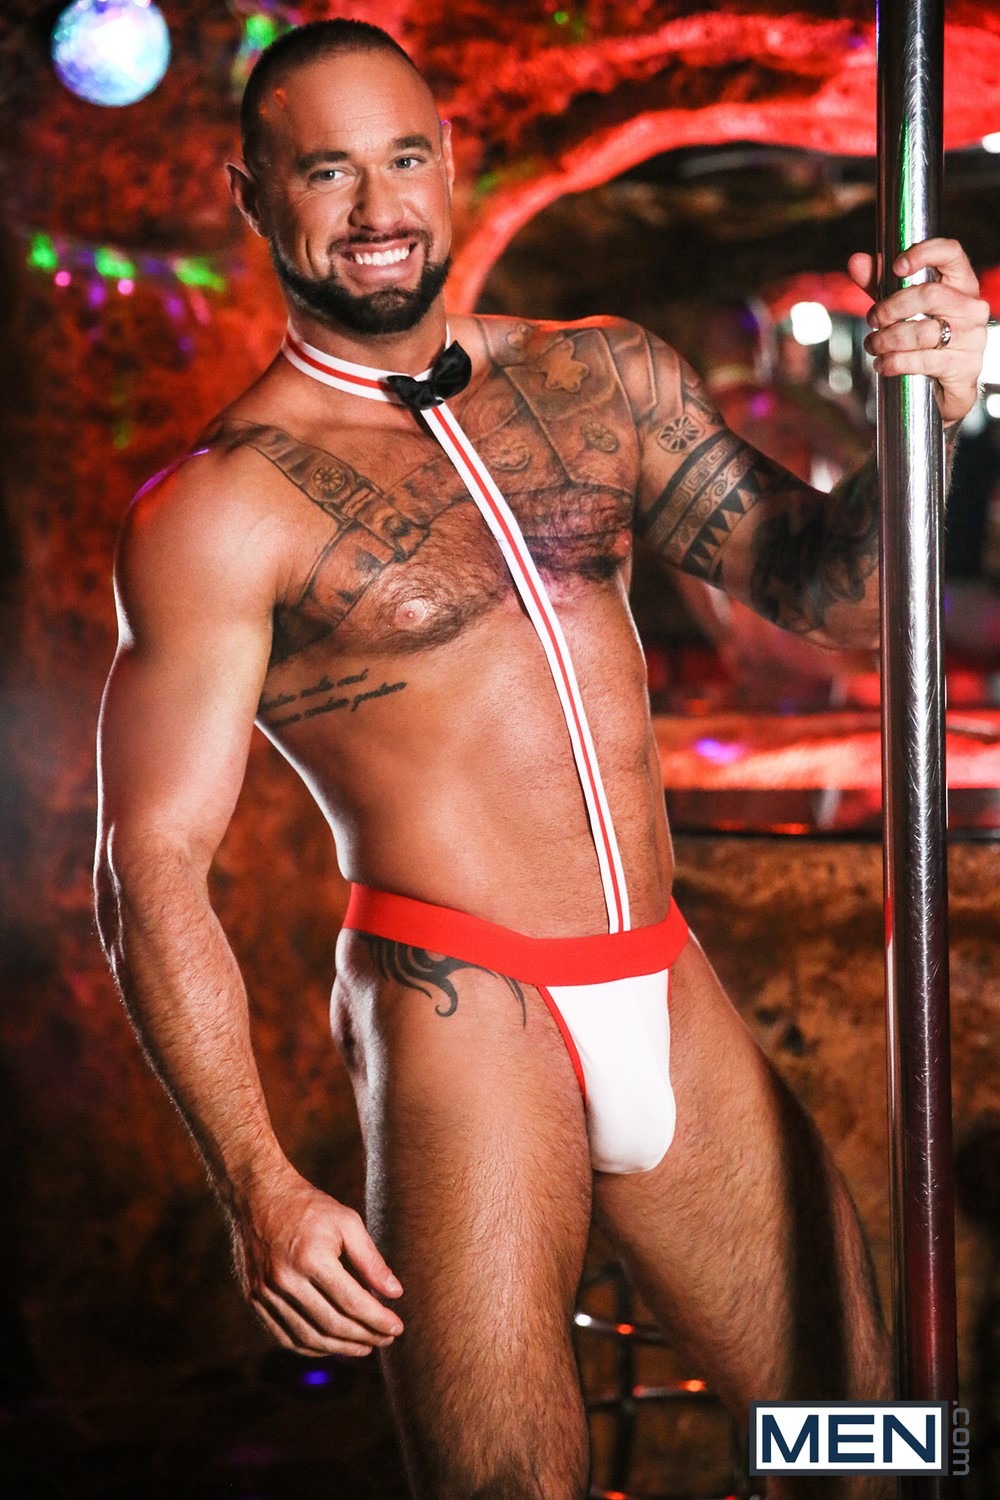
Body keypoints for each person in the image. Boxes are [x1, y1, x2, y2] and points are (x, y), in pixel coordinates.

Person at [93, 19, 988, 1499]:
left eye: (403, 160)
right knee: (510, 1487)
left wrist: (928, 418)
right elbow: (152, 867)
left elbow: (841, 599)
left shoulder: (604, 381)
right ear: (252, 196)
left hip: (662, 978)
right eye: (326, 172)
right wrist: (258, 1186)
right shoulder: (219, 510)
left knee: (860, 1440)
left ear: (450, 165)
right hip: (466, 1011)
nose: (378, 210)